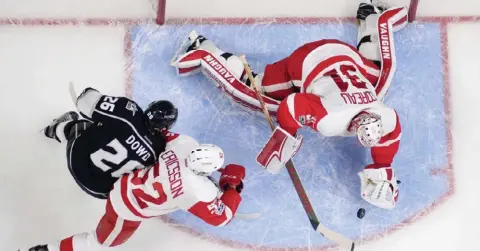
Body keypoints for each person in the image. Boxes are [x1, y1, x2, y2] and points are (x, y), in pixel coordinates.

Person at [172, 0, 406, 209]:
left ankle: (372, 15)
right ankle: (203, 49)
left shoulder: (386, 117)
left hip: (347, 57)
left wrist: (382, 168)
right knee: (254, 89)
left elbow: (388, 140)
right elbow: (290, 106)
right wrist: (285, 137)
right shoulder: (331, 118)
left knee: (377, 68)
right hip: (307, 60)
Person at [20, 132, 246, 251]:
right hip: (125, 210)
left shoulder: (185, 145)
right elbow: (221, 217)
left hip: (123, 183)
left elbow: (161, 136)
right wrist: (232, 186)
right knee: (99, 244)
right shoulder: (198, 191)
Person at [43, 87, 178, 199]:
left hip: (79, 165)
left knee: (83, 125)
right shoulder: (158, 150)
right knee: (108, 129)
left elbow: (85, 101)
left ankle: (51, 130)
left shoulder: (129, 112)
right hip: (102, 191)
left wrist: (90, 93)